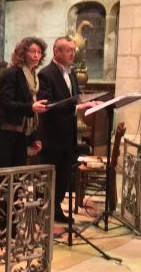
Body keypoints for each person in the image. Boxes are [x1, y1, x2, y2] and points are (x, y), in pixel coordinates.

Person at [37, 36, 98, 223]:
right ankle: (42, 211)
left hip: (68, 134)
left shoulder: (71, 73)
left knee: (63, 176)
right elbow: (48, 104)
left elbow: (75, 98)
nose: (73, 53)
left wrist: (87, 102)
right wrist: (76, 107)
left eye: (73, 50)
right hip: (52, 134)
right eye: (68, 50)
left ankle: (56, 210)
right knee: (49, 175)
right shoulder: (46, 74)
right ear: (57, 52)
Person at [0, 36, 49, 170]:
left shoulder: (33, 75)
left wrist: (33, 138)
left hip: (22, 134)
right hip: (6, 132)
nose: (36, 55)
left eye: (39, 52)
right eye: (33, 51)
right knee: (2, 177)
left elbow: (30, 112)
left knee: (17, 177)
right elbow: (6, 102)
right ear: (23, 53)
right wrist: (31, 107)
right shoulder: (12, 73)